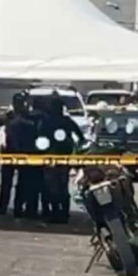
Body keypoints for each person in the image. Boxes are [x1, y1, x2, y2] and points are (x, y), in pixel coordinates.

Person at [40, 95, 86, 223]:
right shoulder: (62, 121)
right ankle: (62, 213)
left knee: (52, 187)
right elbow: (81, 137)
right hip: (59, 158)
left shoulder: (49, 121)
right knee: (60, 186)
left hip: (53, 158)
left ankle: (57, 213)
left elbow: (80, 137)